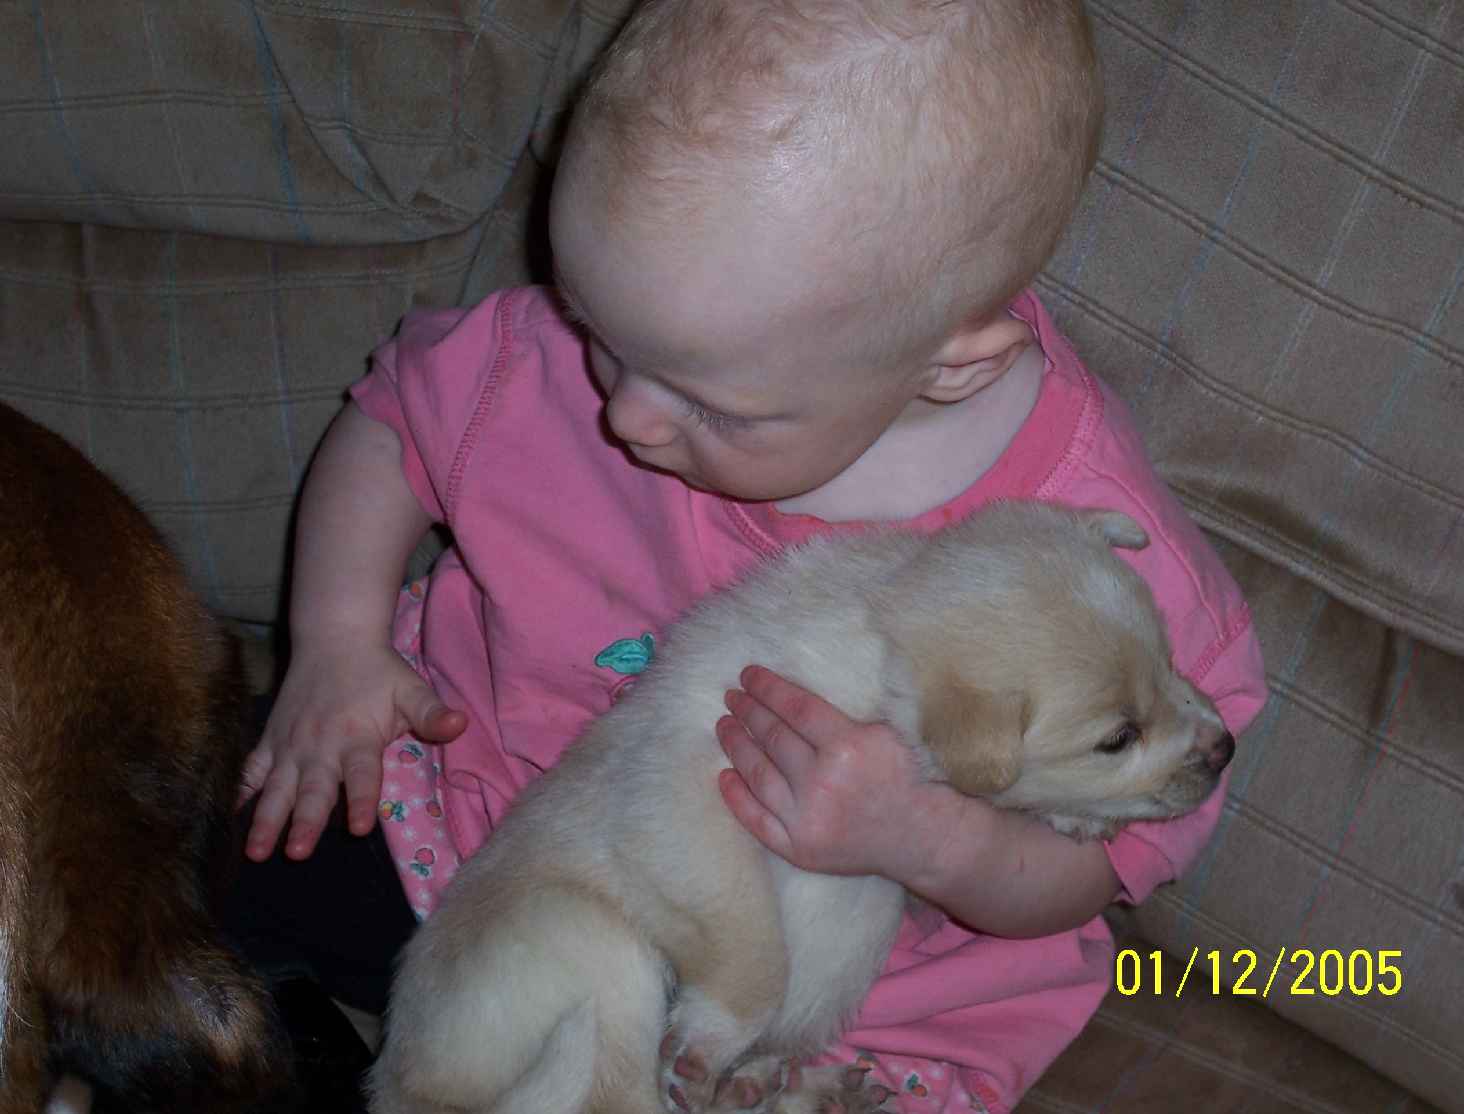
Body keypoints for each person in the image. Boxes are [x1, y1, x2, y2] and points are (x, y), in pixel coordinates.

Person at [235, 1, 1267, 1110]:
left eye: (710, 405)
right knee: (199, 861)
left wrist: (927, 839)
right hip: (478, 812)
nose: (625, 413)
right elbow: (397, 417)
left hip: (854, 981)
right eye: (596, 331)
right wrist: (335, 643)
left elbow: (1105, 862)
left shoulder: (1097, 553)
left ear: (950, 365)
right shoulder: (660, 327)